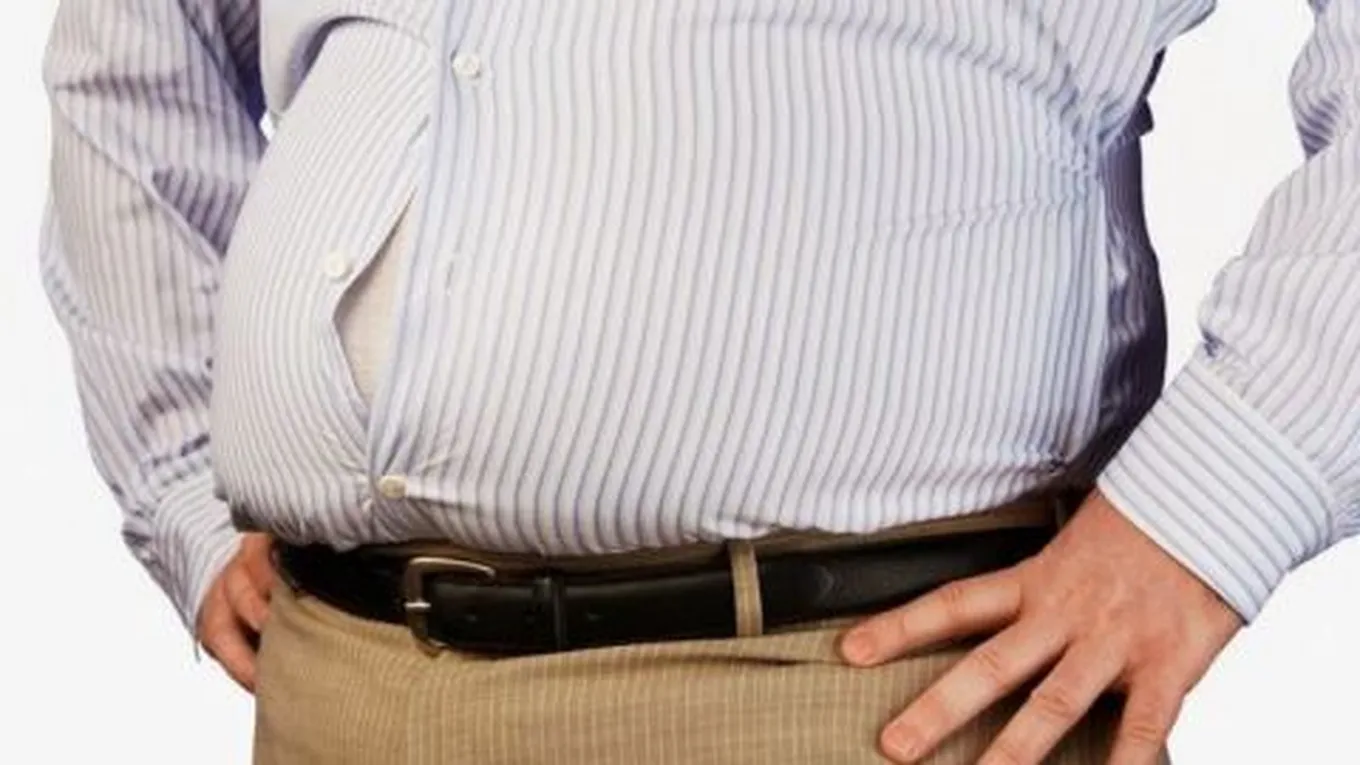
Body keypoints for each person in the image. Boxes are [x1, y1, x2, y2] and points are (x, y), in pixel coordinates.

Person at [38, 1, 1357, 763]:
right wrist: (185, 480)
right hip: (347, 682)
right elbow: (140, 53)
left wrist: (1209, 509)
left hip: (856, 688)